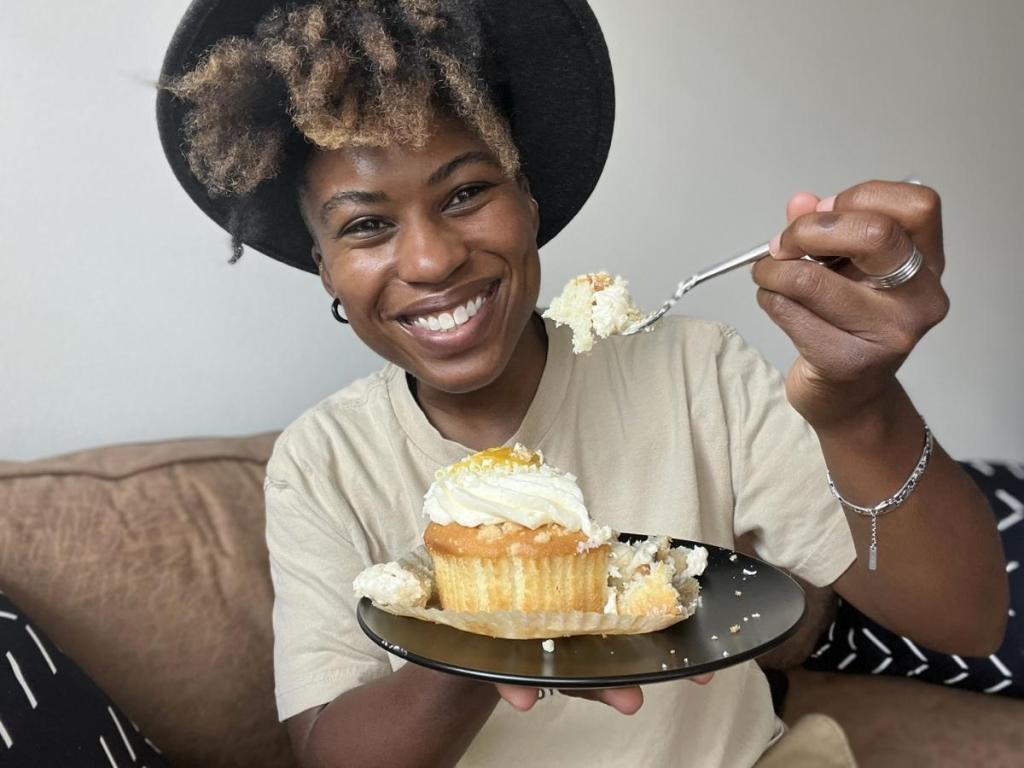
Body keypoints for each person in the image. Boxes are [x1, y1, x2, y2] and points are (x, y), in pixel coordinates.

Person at [157, 1, 1008, 766]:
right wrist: (495, 638)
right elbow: (333, 754)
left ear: (528, 198)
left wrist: (861, 410)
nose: (430, 259)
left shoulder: (693, 372)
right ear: (326, 268)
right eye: (368, 226)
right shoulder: (324, 461)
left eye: (467, 192)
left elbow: (964, 619)